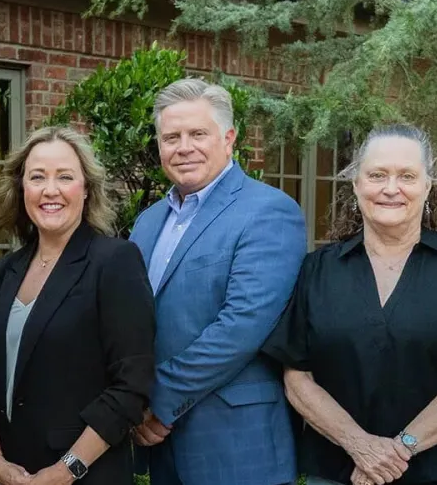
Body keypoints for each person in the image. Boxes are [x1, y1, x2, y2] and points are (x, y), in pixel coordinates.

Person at [262, 125, 437, 485]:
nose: (391, 188)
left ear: (427, 186)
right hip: (340, 472)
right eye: (377, 175)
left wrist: (400, 449)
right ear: (356, 184)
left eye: (407, 176)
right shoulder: (319, 268)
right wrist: (360, 446)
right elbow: (297, 377)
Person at [127, 78, 307, 485]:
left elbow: (241, 327)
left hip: (237, 446)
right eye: (171, 136)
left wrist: (158, 399)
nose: (183, 146)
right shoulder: (148, 222)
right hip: (160, 444)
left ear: (229, 139)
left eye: (197, 134)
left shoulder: (269, 212)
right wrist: (131, 401)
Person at [0, 126, 155, 485]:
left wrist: (66, 470)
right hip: (10, 473)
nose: (50, 190)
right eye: (37, 177)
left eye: (65, 177)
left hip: (86, 473)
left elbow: (131, 385)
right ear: (22, 188)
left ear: (86, 189)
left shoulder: (114, 261)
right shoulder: (4, 271)